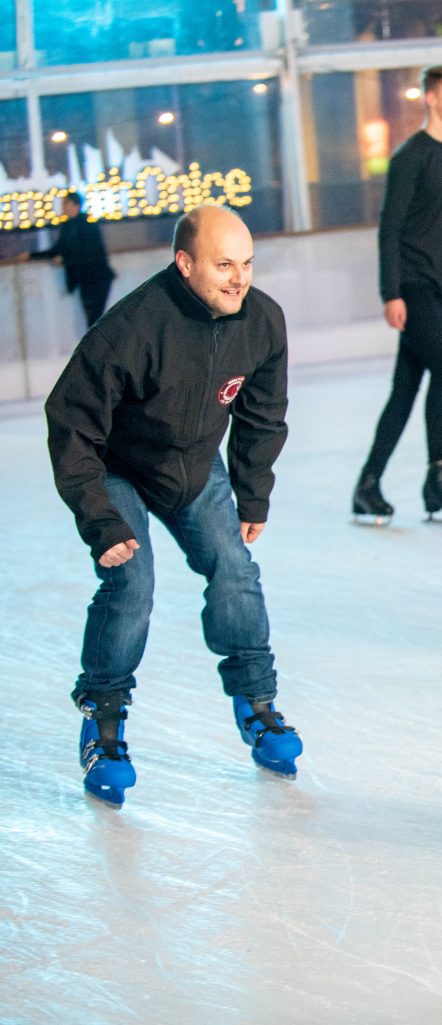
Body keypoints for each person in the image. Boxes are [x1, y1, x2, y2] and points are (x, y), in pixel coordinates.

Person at [44, 205, 303, 807]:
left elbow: (262, 415)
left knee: (234, 569)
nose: (238, 278)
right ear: (184, 264)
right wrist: (99, 517)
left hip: (193, 466)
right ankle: (103, 722)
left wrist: (253, 491)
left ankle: (256, 704)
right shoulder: (131, 329)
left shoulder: (261, 320)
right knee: (130, 582)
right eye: (223, 265)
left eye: (246, 264)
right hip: (118, 468)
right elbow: (72, 424)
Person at [353, 64, 442, 525]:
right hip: (413, 285)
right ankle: (438, 478)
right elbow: (390, 228)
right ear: (429, 98)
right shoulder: (410, 156)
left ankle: (368, 484)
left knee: (405, 389)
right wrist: (391, 292)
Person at [28, 190, 116, 328]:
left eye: (66, 203)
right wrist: (31, 255)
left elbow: (89, 253)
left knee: (95, 319)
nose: (63, 207)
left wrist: (64, 260)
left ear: (75, 206)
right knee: (92, 319)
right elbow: (57, 249)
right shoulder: (67, 227)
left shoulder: (88, 226)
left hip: (97, 277)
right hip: (84, 278)